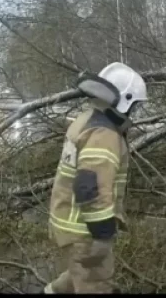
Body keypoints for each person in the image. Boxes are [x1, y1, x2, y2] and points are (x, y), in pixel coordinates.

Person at [44, 62, 148, 294]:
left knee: (78, 274)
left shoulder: (87, 119)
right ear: (125, 100)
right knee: (96, 283)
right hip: (85, 229)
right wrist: (102, 236)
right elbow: (91, 187)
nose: (135, 112)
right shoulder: (104, 134)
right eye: (135, 106)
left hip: (69, 223)